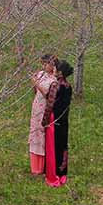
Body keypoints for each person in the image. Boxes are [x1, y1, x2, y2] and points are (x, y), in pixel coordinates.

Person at [44, 59, 73, 187]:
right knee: (62, 146)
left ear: (60, 73)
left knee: (52, 148)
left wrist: (44, 121)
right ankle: (62, 175)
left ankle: (52, 176)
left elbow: (50, 105)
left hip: (53, 119)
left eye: (55, 69)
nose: (53, 70)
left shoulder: (55, 85)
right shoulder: (68, 86)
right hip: (64, 119)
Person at [28, 55, 57, 175]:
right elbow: (36, 90)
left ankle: (41, 166)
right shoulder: (40, 74)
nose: (44, 66)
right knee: (34, 132)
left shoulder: (54, 80)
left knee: (41, 133)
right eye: (43, 63)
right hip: (36, 106)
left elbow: (47, 93)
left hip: (45, 108)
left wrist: (37, 84)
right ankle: (34, 166)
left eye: (47, 64)